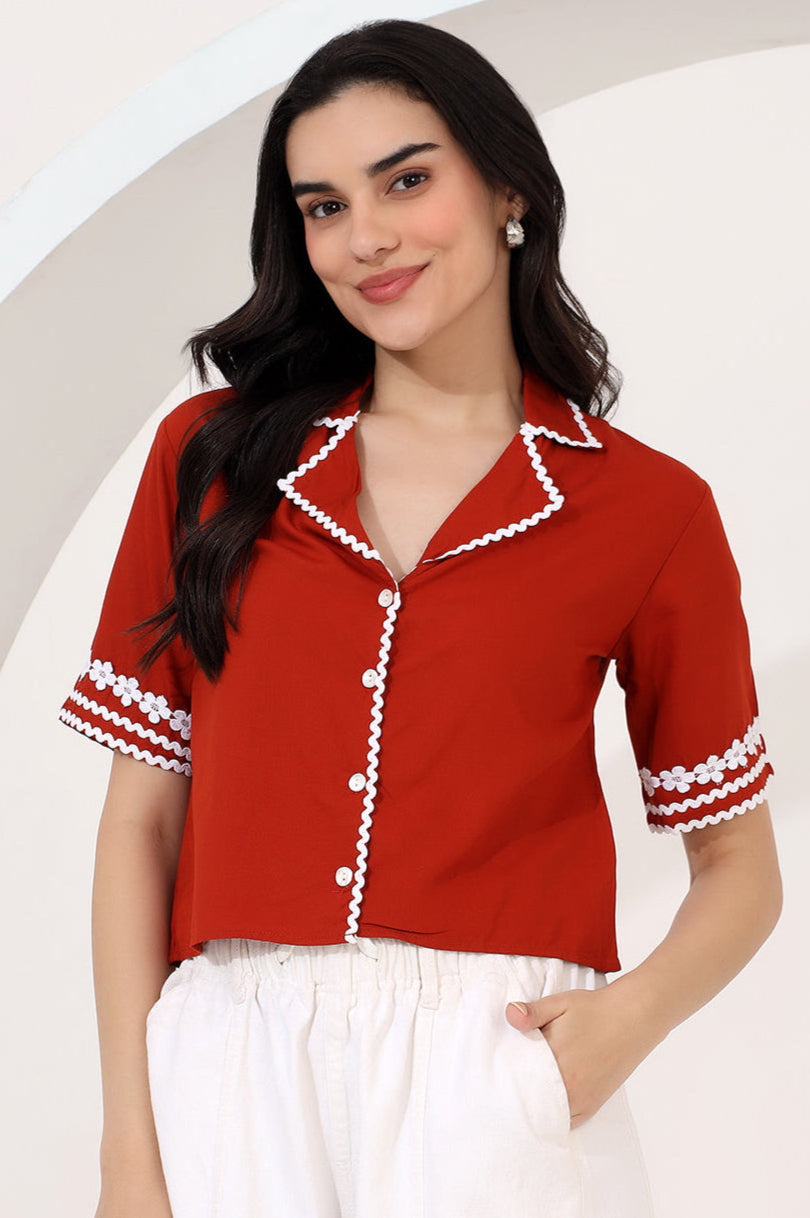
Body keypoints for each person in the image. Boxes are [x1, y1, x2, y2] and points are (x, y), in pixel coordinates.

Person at [58, 18, 782, 1218]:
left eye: (406, 179)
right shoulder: (212, 460)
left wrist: (623, 1025)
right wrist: (129, 1151)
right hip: (232, 1070)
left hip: (495, 1071)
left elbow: (740, 866)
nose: (367, 237)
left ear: (507, 187)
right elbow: (140, 822)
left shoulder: (645, 507)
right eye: (324, 206)